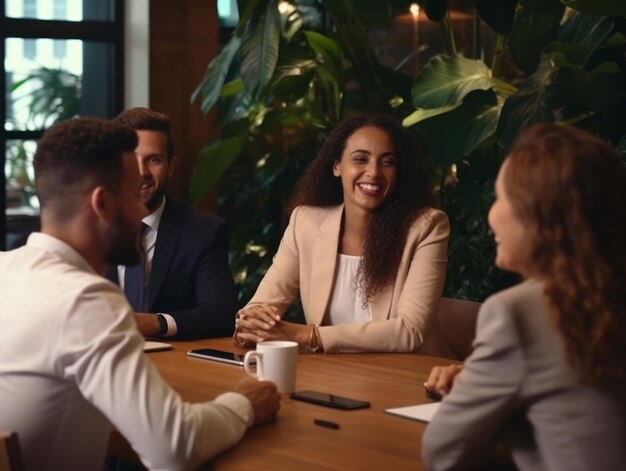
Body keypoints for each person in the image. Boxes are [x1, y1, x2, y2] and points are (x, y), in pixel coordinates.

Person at [0, 117, 280, 471]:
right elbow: (173, 448)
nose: (140, 213)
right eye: (133, 196)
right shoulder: (85, 300)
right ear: (102, 204)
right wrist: (243, 404)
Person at [422, 124, 626, 471]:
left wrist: (506, 418)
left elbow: (443, 453)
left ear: (541, 215)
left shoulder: (517, 312)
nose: (491, 216)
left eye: (502, 197)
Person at [235, 115, 452, 354]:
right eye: (360, 159)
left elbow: (410, 331)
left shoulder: (425, 227)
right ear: (336, 165)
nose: (373, 172)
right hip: (331, 377)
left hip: (407, 378)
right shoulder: (306, 222)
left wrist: (306, 335)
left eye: (387, 162)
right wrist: (254, 323)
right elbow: (258, 308)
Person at [107, 107, 238, 340]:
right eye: (132, 159)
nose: (142, 172)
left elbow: (221, 313)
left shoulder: (204, 231)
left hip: (171, 365)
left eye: (154, 160)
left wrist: (158, 323)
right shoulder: (93, 226)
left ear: (171, 167)